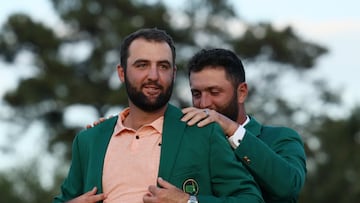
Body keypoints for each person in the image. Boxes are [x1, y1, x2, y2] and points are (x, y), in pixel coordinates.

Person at [53, 28, 264, 203]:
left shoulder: (202, 132)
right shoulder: (89, 140)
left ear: (173, 73)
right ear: (121, 73)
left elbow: (250, 199)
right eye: (142, 65)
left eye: (163, 66)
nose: (153, 76)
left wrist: (188, 201)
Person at [180, 48, 307, 203]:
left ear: (242, 92)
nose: (204, 103)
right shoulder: (187, 143)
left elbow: (288, 187)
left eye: (214, 92)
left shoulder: (281, 138)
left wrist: (230, 128)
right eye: (196, 94)